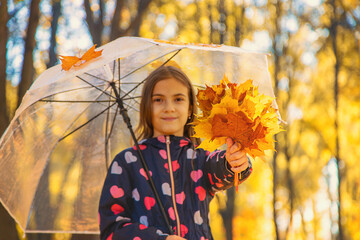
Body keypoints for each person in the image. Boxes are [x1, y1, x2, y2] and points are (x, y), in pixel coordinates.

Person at [98, 66, 252, 240]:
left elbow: (220, 168)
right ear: (147, 107)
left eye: (178, 99)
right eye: (158, 100)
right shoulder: (127, 162)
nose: (169, 107)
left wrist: (232, 162)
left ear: (190, 109)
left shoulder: (200, 159)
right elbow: (111, 229)